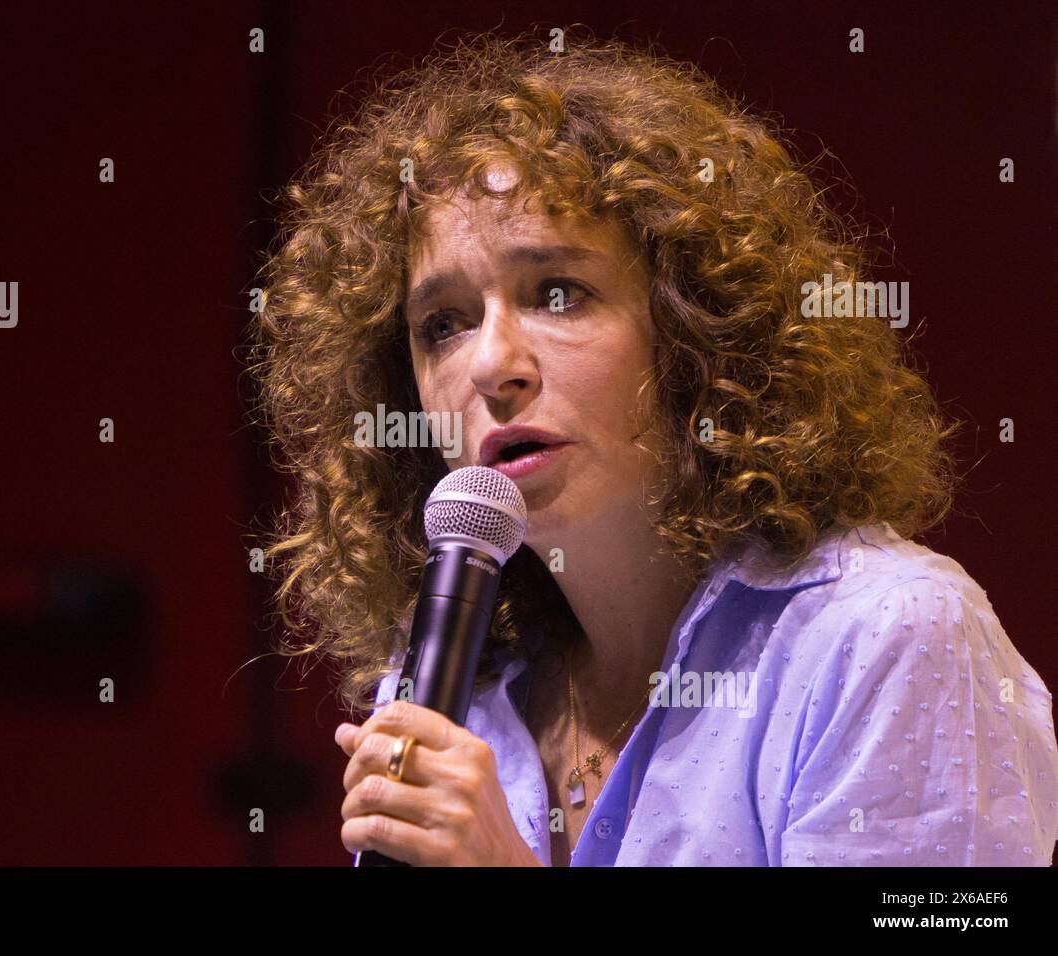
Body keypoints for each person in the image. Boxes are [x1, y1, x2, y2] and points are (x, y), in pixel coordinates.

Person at [246, 30, 1058, 866]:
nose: (490, 365)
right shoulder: (453, 692)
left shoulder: (889, 637)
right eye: (442, 325)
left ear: (694, 329)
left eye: (558, 294)